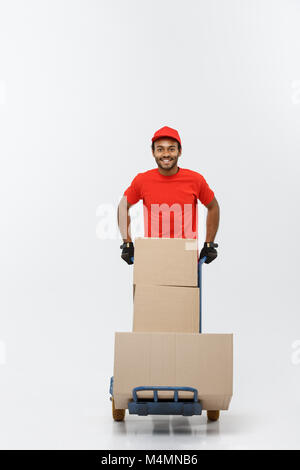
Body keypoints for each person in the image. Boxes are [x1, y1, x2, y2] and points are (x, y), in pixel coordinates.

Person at [117, 126, 219, 265]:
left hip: (186, 255)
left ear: (180, 151)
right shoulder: (142, 181)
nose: (166, 154)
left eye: (171, 149)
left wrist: (209, 243)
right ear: (153, 152)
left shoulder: (195, 180)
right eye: (160, 149)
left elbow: (213, 206)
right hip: (153, 254)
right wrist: (127, 243)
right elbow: (123, 206)